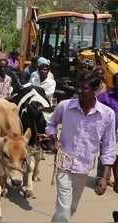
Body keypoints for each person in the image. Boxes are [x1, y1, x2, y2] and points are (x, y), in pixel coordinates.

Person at [46, 70, 116, 222]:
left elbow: (109, 147)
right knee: (64, 209)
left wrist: (104, 178)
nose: (79, 91)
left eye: (84, 88)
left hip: (84, 168)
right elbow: (51, 124)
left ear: (95, 90)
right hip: (63, 165)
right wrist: (53, 139)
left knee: (71, 208)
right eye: (78, 87)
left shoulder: (107, 115)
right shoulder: (65, 106)